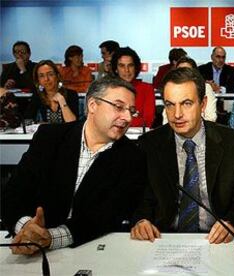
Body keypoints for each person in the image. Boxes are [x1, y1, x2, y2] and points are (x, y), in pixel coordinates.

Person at [1, 76, 146, 255]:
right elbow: (13, 192)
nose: (127, 117)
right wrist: (27, 228)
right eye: (119, 107)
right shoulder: (50, 138)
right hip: (25, 246)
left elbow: (107, 215)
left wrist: (50, 238)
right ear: (93, 105)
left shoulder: (132, 156)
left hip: (89, 249)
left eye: (131, 110)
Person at [130, 67, 234, 244]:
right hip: (162, 239)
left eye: (186, 103)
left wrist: (232, 223)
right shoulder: (149, 144)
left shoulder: (233, 143)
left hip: (217, 241)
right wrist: (141, 220)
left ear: (203, 104)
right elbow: (140, 198)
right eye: (170, 105)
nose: (177, 114)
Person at [162, 56, 217, 124]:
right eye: (180, 71)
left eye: (187, 71)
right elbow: (166, 120)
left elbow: (211, 118)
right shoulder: (171, 89)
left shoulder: (206, 88)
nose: (183, 74)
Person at [112, 47, 155, 128]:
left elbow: (147, 121)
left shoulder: (147, 88)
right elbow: (106, 121)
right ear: (116, 69)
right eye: (122, 66)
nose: (127, 70)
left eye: (130, 65)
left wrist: (118, 121)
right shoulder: (109, 89)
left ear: (135, 68)